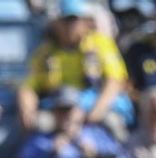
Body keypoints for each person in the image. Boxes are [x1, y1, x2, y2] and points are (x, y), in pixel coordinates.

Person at [19, 0, 132, 139]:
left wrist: (95, 111)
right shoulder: (45, 53)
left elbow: (115, 81)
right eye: (65, 20)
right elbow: (28, 85)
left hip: (94, 106)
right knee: (38, 124)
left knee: (113, 123)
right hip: (59, 110)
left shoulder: (101, 44)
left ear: (84, 21)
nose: (70, 26)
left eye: (74, 20)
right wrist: (27, 107)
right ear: (56, 23)